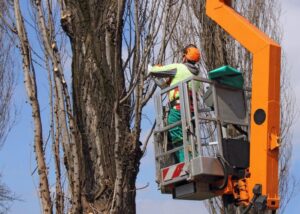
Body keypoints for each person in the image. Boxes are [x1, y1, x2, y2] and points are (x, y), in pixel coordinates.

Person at [148, 44, 201, 162]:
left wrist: (153, 67)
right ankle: (195, 160)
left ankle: (185, 163)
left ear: (185, 57)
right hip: (192, 111)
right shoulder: (197, 74)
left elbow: (155, 71)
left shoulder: (179, 68)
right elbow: (175, 85)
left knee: (177, 136)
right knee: (190, 136)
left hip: (178, 109)